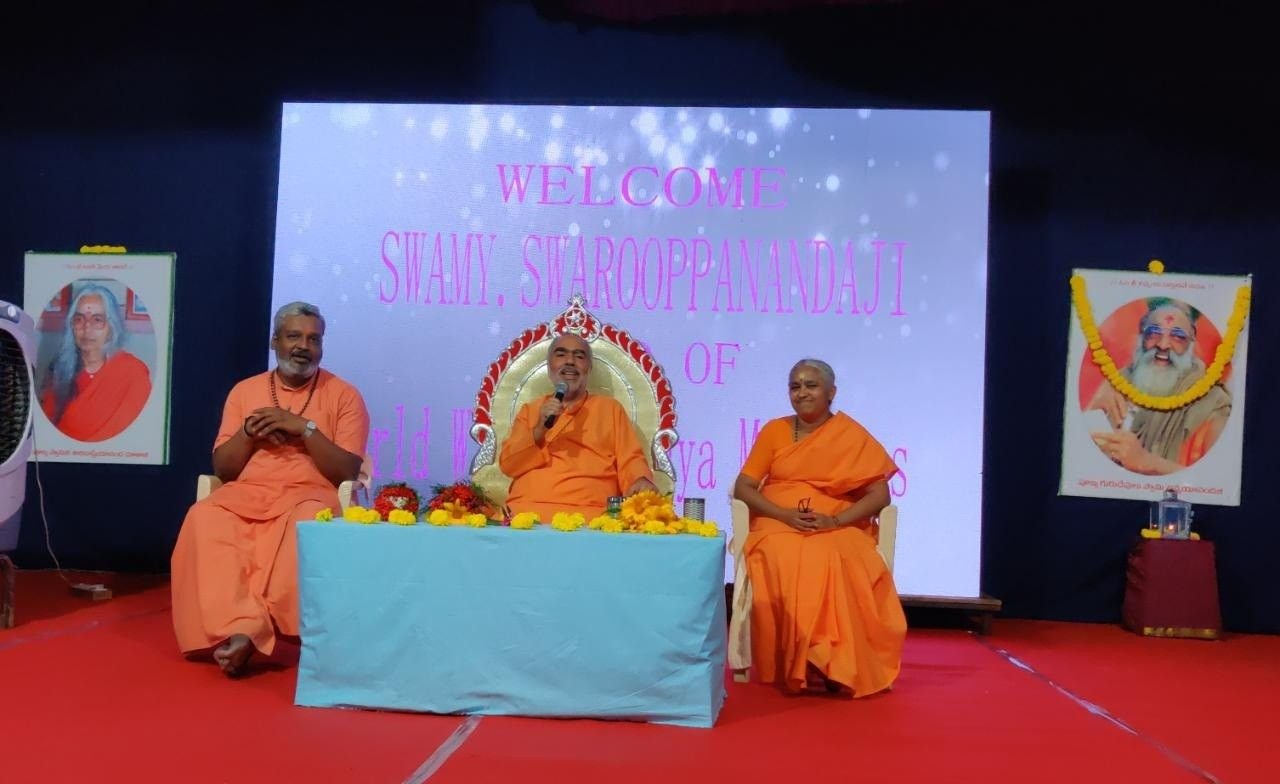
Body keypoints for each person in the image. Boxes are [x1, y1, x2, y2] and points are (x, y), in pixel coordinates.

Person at [170, 301, 369, 677]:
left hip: (309, 494)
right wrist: (248, 432)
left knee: (309, 521)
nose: (303, 346)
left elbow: (346, 471)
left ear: (322, 347)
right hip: (248, 491)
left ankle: (257, 629)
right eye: (294, 336)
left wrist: (303, 429)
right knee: (204, 516)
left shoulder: (344, 395)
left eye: (313, 339)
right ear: (274, 341)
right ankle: (242, 625)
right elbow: (224, 469)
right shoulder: (244, 392)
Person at [733, 358, 903, 698]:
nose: (802, 392)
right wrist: (784, 515)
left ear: (831, 392)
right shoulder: (775, 431)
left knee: (836, 557)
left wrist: (835, 521)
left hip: (837, 525)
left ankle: (833, 660)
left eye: (810, 385)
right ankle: (807, 659)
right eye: (795, 386)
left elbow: (880, 494)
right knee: (788, 554)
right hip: (778, 523)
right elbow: (744, 487)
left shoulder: (850, 435)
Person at [499, 332, 657, 519]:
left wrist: (640, 479)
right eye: (561, 354)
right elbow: (509, 465)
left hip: (589, 515)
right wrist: (539, 429)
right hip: (526, 513)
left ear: (588, 369)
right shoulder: (531, 410)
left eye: (579, 356)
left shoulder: (610, 409)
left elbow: (630, 458)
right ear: (549, 367)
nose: (570, 361)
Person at [1087, 297, 1231, 475]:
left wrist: (1147, 462)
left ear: (1191, 344)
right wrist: (1093, 408)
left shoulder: (1213, 402)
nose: (1163, 345)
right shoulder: (1117, 382)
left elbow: (1220, 482)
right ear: (1141, 337)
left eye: (1178, 336)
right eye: (1154, 332)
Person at [40, 284, 151, 441]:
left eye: (97, 320)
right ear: (71, 326)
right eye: (79, 319)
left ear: (112, 327)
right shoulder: (59, 368)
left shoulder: (133, 372)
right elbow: (45, 430)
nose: (87, 328)